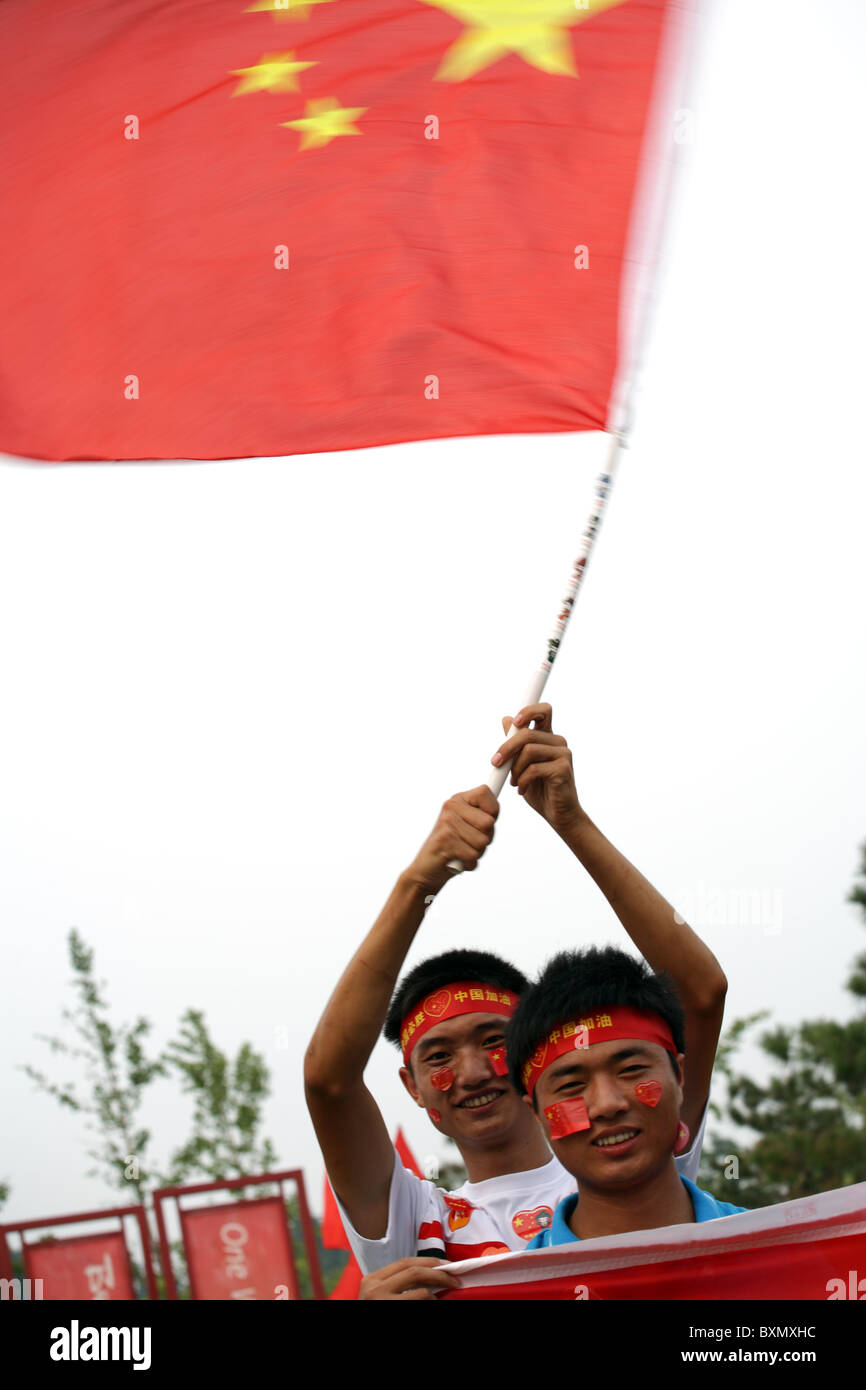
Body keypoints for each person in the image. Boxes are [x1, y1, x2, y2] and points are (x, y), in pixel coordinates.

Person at [303, 703, 728, 1299]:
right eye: (439, 1057)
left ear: (536, 1058)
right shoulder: (417, 1224)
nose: (473, 1072)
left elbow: (699, 995)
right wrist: (417, 883)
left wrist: (571, 820)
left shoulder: (632, 1152)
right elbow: (329, 1082)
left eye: (494, 1041)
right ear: (413, 1089)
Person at [505, 945, 746, 1249]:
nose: (607, 1104)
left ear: (679, 1076)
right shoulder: (520, 1289)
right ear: (537, 1113)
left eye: (631, 1069)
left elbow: (707, 992)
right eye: (571, 1086)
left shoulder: (779, 1255)